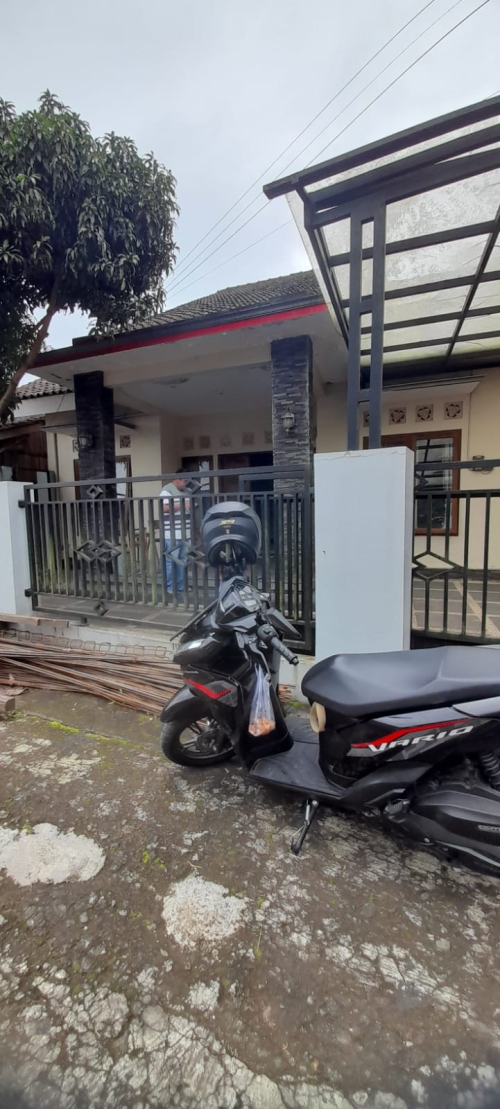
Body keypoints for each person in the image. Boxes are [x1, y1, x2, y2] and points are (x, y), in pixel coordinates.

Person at [160, 471, 191, 595]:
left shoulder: (187, 491)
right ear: (178, 479)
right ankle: (170, 587)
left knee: (183, 559)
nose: (186, 483)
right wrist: (184, 505)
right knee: (171, 560)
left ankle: (180, 586)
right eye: (185, 481)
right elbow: (164, 508)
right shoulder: (167, 490)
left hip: (185, 532)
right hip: (172, 533)